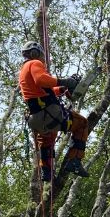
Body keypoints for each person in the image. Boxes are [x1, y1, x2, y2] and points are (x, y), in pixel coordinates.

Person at [18, 40, 89, 182]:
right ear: (35, 53)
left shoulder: (23, 72)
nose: (43, 60)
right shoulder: (35, 63)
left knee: (47, 141)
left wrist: (62, 89)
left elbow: (44, 90)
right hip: (49, 114)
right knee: (82, 123)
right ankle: (74, 161)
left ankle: (47, 172)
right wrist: (65, 81)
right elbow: (41, 80)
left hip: (37, 118)